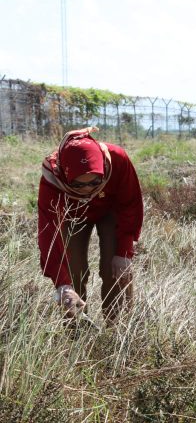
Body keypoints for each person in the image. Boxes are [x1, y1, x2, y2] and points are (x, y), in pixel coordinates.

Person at [38, 127, 143, 323]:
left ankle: (118, 329)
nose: (88, 190)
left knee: (116, 271)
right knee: (73, 271)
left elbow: (130, 205)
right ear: (65, 175)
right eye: (78, 185)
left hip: (111, 212)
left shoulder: (117, 159)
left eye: (96, 181)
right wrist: (62, 284)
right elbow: (49, 232)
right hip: (73, 215)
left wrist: (124, 252)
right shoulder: (53, 177)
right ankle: (76, 328)